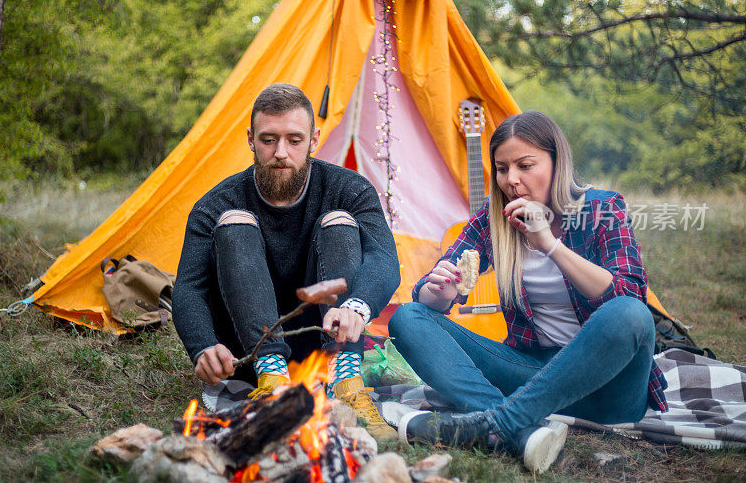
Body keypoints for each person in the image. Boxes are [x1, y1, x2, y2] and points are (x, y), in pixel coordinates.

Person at [388, 110, 667, 472]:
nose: (511, 180)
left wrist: (549, 243)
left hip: (611, 390)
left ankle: (491, 425)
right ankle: (521, 432)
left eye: (525, 165)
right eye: (502, 168)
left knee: (630, 313)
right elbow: (428, 296)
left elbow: (627, 295)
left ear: (556, 162)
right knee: (408, 317)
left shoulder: (603, 208)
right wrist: (438, 291)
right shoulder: (494, 222)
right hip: (532, 374)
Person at [173, 83, 400, 440]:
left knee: (339, 221)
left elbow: (384, 259)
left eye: (294, 140)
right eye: (269, 139)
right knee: (234, 223)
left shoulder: (350, 189)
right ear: (250, 139)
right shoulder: (215, 203)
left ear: (314, 139)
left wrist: (357, 307)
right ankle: (273, 383)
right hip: (247, 353)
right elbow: (188, 288)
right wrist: (202, 343)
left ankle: (346, 381)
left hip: (322, 340)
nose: (281, 152)